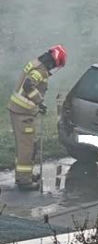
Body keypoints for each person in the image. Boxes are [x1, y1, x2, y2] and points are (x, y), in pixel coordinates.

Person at [8, 45, 67, 190]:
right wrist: (39, 101)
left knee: (25, 146)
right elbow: (28, 85)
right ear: (53, 62)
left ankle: (24, 175)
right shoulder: (41, 70)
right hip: (23, 113)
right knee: (26, 148)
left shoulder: (36, 63)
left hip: (20, 110)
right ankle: (24, 181)